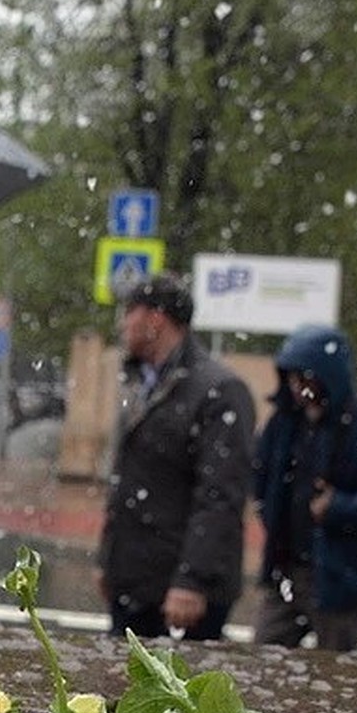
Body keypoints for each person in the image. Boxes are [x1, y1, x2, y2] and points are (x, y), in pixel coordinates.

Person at [96, 273, 256, 640]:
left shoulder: (219, 391)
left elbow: (220, 495)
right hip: (136, 579)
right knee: (124, 690)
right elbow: (126, 478)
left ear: (156, 319)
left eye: (129, 313)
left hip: (179, 589)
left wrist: (192, 582)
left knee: (183, 692)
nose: (123, 324)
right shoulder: (140, 382)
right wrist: (109, 561)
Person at [253, 323, 357, 653]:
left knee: (335, 668)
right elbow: (263, 477)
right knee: (262, 656)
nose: (297, 387)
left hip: (344, 575)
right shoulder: (285, 422)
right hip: (287, 569)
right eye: (292, 377)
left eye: (305, 376)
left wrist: (340, 508)